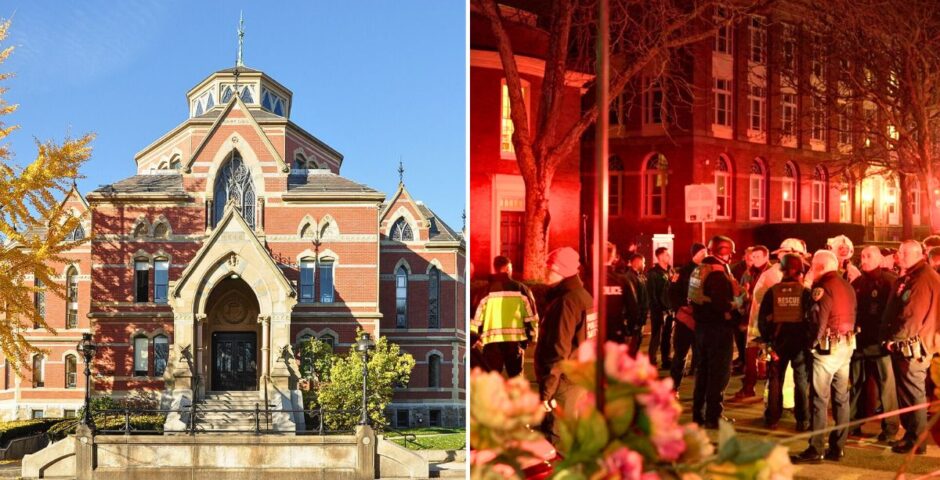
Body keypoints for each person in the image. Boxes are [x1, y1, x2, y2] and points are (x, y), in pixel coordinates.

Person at [792, 250, 857, 464]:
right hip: (846, 346)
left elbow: (818, 320)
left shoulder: (821, 288)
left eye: (812, 266)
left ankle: (815, 448)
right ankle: (838, 447)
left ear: (820, 267)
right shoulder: (846, 284)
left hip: (827, 349)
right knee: (841, 398)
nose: (810, 269)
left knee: (819, 399)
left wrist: (811, 345)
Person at [881, 240, 940, 455]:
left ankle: (915, 440)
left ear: (917, 254)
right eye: (899, 252)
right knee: (911, 393)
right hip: (916, 344)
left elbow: (911, 316)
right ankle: (912, 437)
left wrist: (894, 340)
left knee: (912, 394)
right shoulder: (917, 275)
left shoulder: (921, 279)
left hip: (913, 347)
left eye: (903, 253)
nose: (899, 255)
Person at [535, 247, 594, 444]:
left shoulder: (566, 303)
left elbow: (558, 350)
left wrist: (547, 392)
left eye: (548, 267)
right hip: (579, 378)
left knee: (557, 439)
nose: (544, 271)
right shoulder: (584, 297)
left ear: (560, 271)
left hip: (563, 383)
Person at [739, 238, 810, 400]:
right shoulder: (777, 276)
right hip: (781, 335)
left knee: (778, 375)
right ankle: (785, 407)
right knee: (784, 376)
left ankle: (773, 410)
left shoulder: (772, 273)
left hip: (773, 333)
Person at [848, 246, 899, 442]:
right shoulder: (858, 282)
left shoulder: (890, 282)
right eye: (862, 256)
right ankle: (853, 423)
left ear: (879, 260)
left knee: (887, 387)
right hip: (860, 343)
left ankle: (890, 428)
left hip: (881, 345)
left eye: (869, 256)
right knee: (857, 384)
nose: (864, 259)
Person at [690, 236, 740, 429]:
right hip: (718, 329)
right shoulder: (718, 275)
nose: (731, 256)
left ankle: (698, 413)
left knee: (702, 373)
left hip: (701, 328)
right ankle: (714, 416)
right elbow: (722, 304)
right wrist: (738, 304)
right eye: (730, 251)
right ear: (723, 251)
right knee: (718, 374)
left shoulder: (699, 270)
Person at [757, 253, 811, 430]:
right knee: (801, 381)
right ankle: (803, 421)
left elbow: (763, 320)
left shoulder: (772, 292)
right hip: (800, 343)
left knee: (775, 379)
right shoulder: (805, 293)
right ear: (799, 271)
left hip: (777, 343)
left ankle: (772, 418)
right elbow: (812, 318)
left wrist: (767, 340)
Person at [471, 256, 539, 377]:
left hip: (491, 345)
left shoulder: (484, 291)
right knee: (516, 382)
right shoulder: (522, 290)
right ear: (508, 268)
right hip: (515, 343)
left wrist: (475, 338)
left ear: (495, 268)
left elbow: (474, 319)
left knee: (491, 381)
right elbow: (532, 317)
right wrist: (532, 337)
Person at [732, 245, 771, 398]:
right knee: (750, 354)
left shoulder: (770, 273)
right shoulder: (748, 274)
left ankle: (771, 391)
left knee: (769, 356)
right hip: (751, 319)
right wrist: (742, 299)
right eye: (752, 257)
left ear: (766, 257)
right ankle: (749, 387)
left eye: (757, 257)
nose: (753, 260)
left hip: (766, 321)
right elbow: (744, 297)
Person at [669, 243, 706, 390]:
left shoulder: (706, 270)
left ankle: (700, 391)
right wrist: (681, 308)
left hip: (701, 321)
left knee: (701, 358)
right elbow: (672, 293)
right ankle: (673, 388)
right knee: (680, 356)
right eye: (703, 252)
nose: (705, 255)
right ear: (695, 254)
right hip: (684, 321)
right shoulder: (682, 272)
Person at [647, 247, 676, 367]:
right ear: (659, 257)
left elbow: (672, 290)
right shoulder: (653, 273)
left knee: (667, 335)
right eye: (666, 254)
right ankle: (651, 361)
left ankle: (666, 359)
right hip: (658, 310)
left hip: (670, 309)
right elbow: (652, 294)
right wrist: (658, 309)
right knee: (656, 336)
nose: (669, 256)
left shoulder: (670, 271)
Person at [731, 246, 755, 374]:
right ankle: (742, 359)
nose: (751, 261)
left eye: (754, 258)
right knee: (740, 337)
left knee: (750, 339)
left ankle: (747, 364)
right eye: (750, 258)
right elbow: (737, 290)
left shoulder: (756, 272)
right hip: (740, 308)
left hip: (750, 310)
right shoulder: (739, 270)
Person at [624, 253, 650, 357]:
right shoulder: (630, 278)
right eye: (643, 262)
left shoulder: (639, 276)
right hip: (635, 320)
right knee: (632, 347)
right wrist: (635, 320)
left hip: (639, 319)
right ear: (638, 262)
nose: (644, 265)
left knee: (636, 345)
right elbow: (632, 302)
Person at [605, 242, 630, 343]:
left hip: (592, 332)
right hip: (616, 330)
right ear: (613, 257)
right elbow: (632, 306)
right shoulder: (621, 280)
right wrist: (630, 329)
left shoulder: (586, 279)